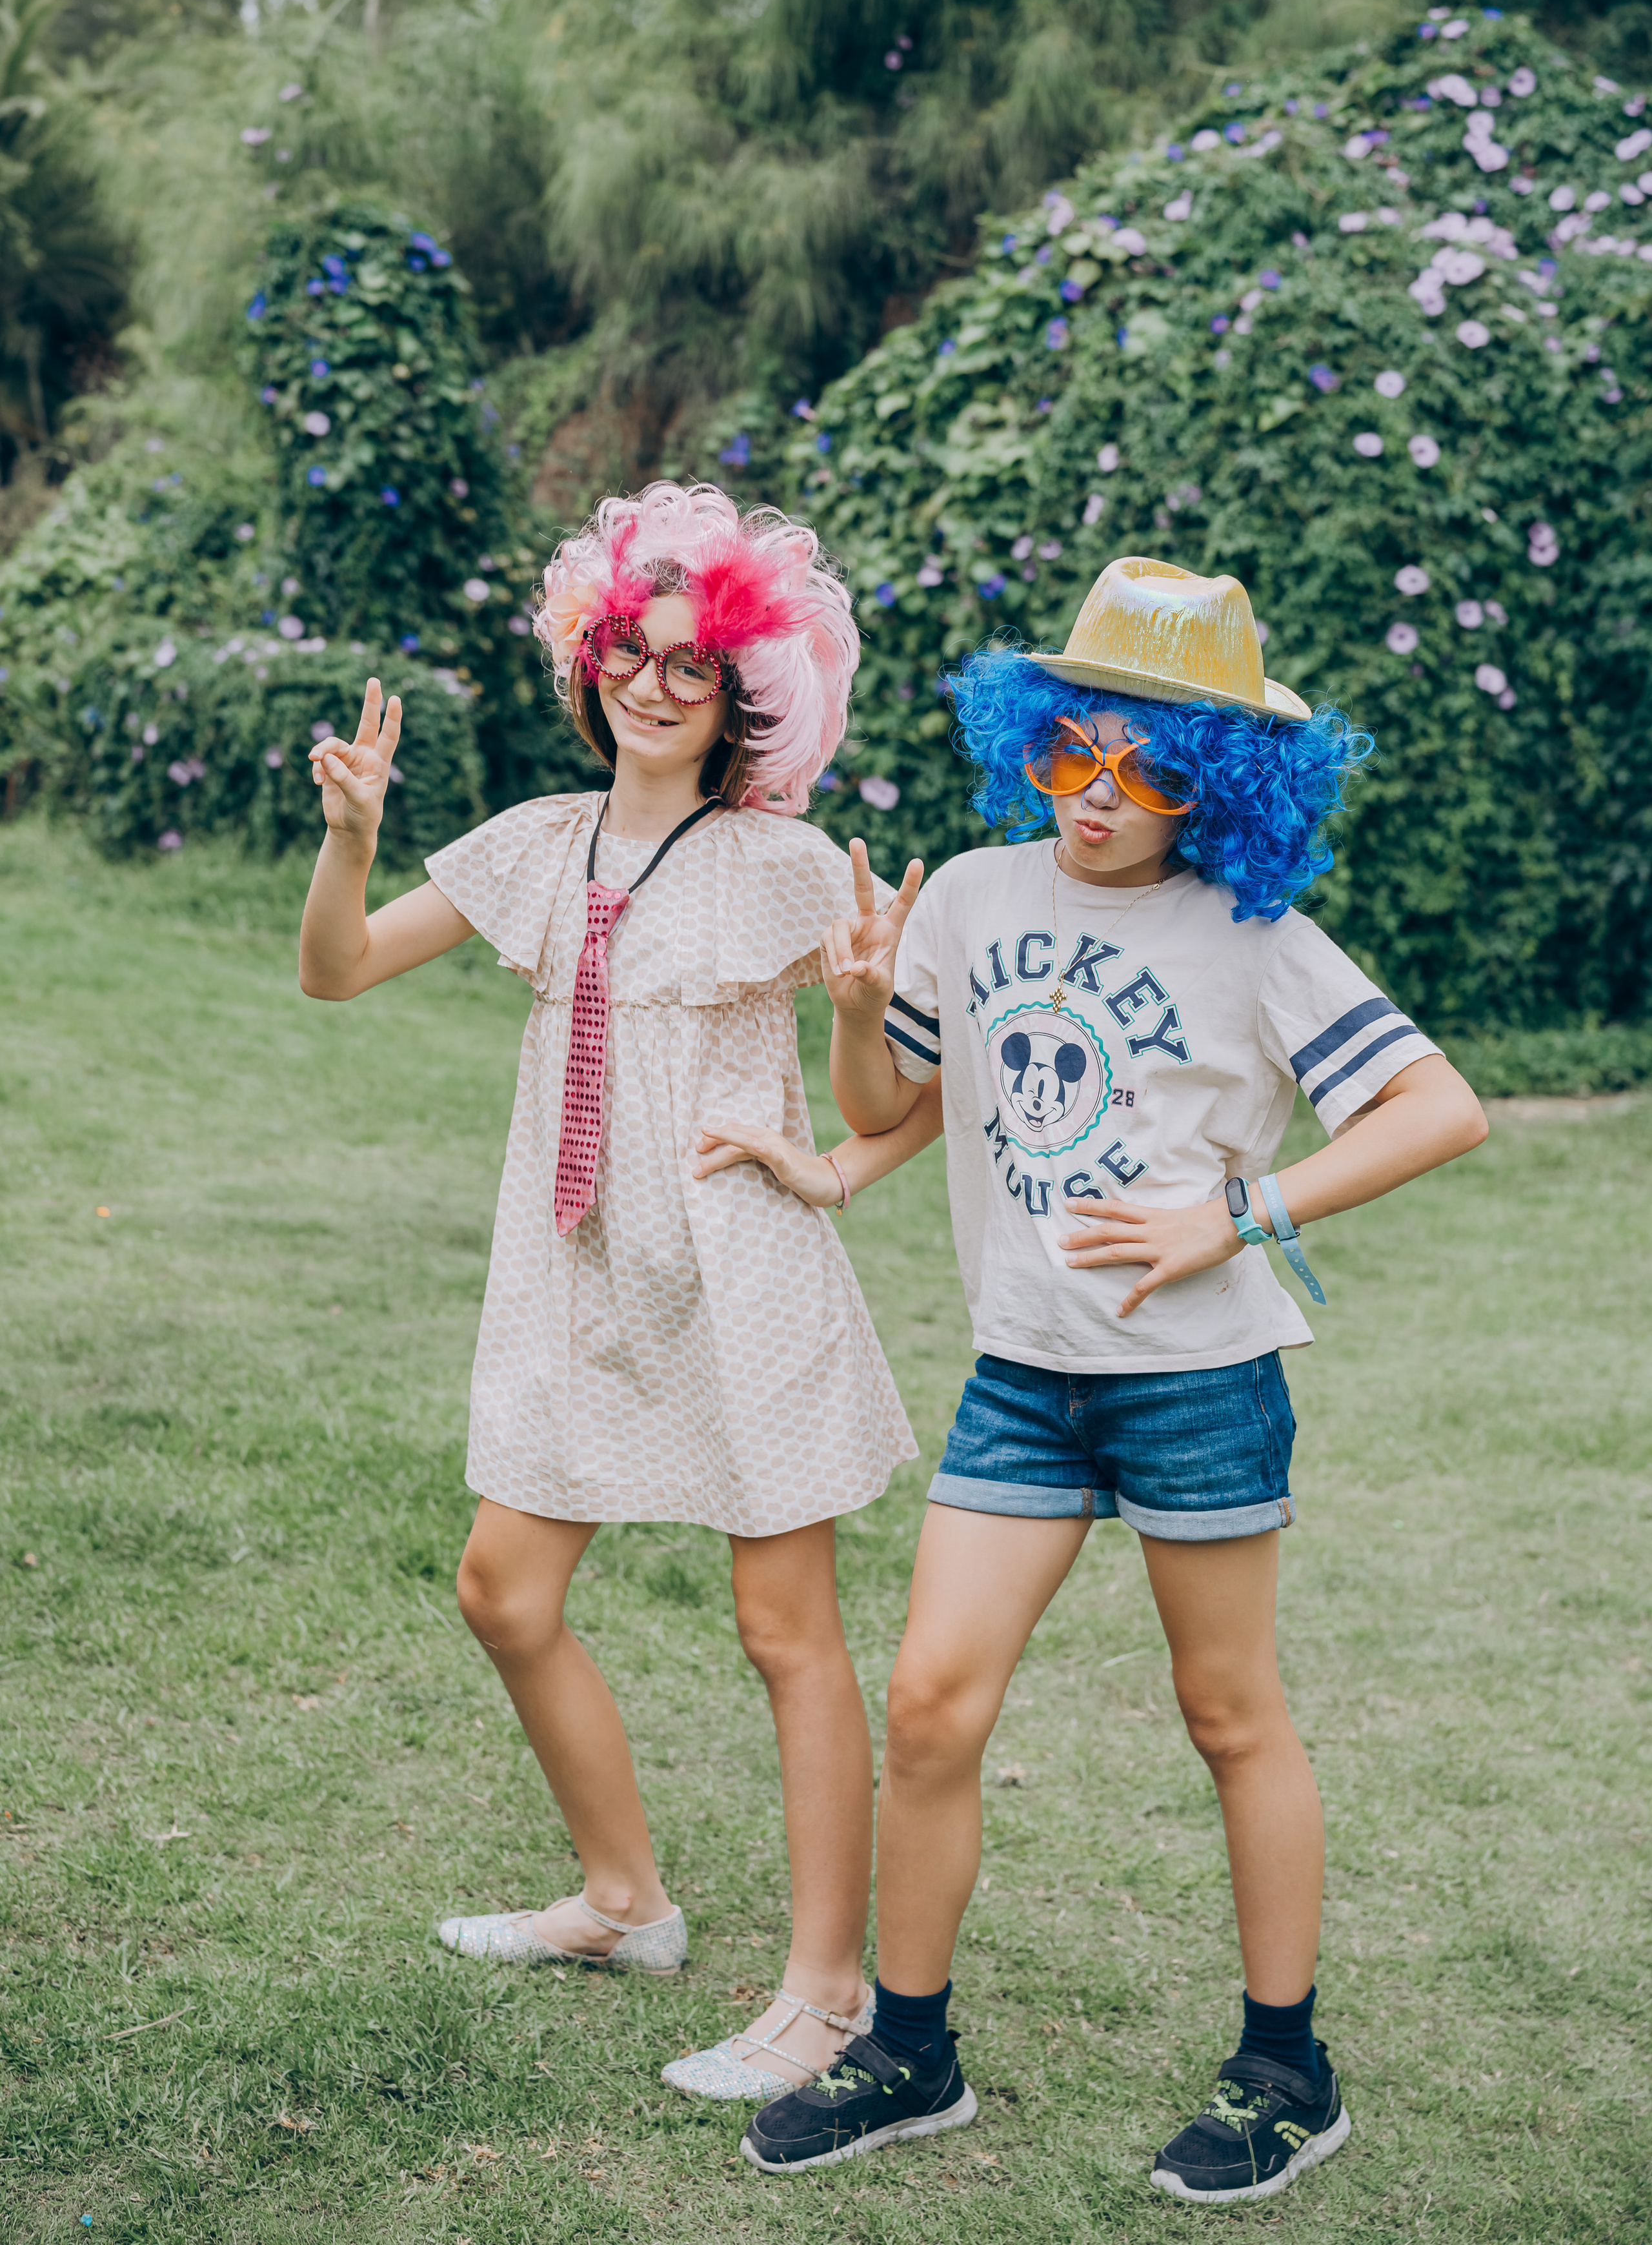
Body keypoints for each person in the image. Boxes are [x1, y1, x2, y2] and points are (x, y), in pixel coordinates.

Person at [696, 560, 1489, 2199]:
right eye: (1073, 752)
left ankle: (1287, 2071)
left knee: (1227, 1715)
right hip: (1024, 1374)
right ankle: (907, 2051)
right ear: (1033, 742)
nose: (1100, 795)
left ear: (1222, 783)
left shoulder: (1254, 934)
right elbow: (889, 1099)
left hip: (1195, 1382)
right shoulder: (980, 896)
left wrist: (1242, 1209)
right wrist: (853, 1008)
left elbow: (1436, 1109)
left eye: (1150, 768)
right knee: (929, 1707)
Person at [296, 481, 918, 2104]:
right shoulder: (532, 843)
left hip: (737, 1265)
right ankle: (623, 1901)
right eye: (628, 655)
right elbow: (338, 966)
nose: (651, 684)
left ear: (741, 700)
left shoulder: (783, 869)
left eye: (690, 667)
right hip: (571, 1267)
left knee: (785, 1634)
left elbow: (889, 1104)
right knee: (503, 1591)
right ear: (589, 661)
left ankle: (829, 1993)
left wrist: (846, 1071)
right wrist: (348, 842)